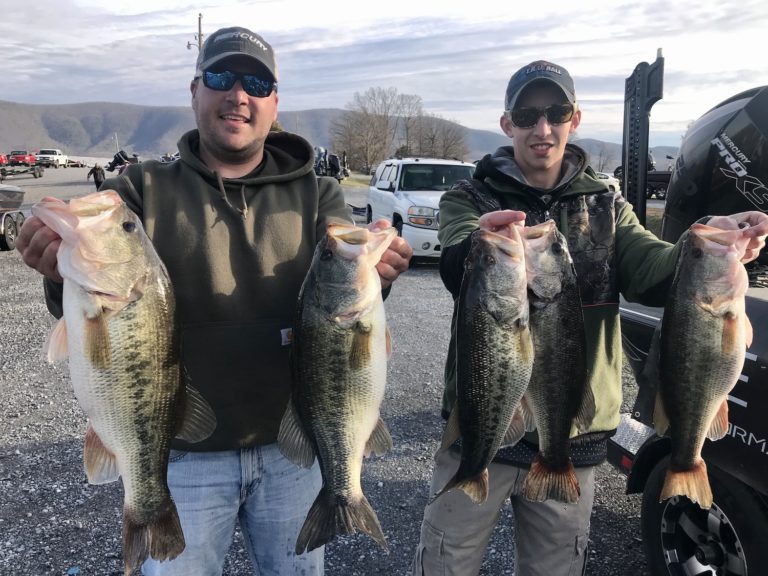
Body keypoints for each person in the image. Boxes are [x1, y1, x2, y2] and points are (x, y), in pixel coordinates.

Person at [16, 26, 412, 575]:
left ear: (275, 102)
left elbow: (343, 294)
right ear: (195, 91)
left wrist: (379, 272)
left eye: (257, 83)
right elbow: (90, 309)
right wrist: (57, 271)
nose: (239, 95)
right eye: (222, 77)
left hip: (292, 448)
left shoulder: (318, 193)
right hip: (181, 452)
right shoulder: (141, 188)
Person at [411, 60, 768, 576]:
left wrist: (711, 242)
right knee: (446, 564)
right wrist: (480, 248)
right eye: (527, 115)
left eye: (556, 112)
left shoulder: (607, 203)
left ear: (574, 119)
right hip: (482, 422)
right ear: (507, 124)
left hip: (572, 435)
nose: (542, 128)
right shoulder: (468, 198)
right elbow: (453, 261)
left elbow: (651, 269)